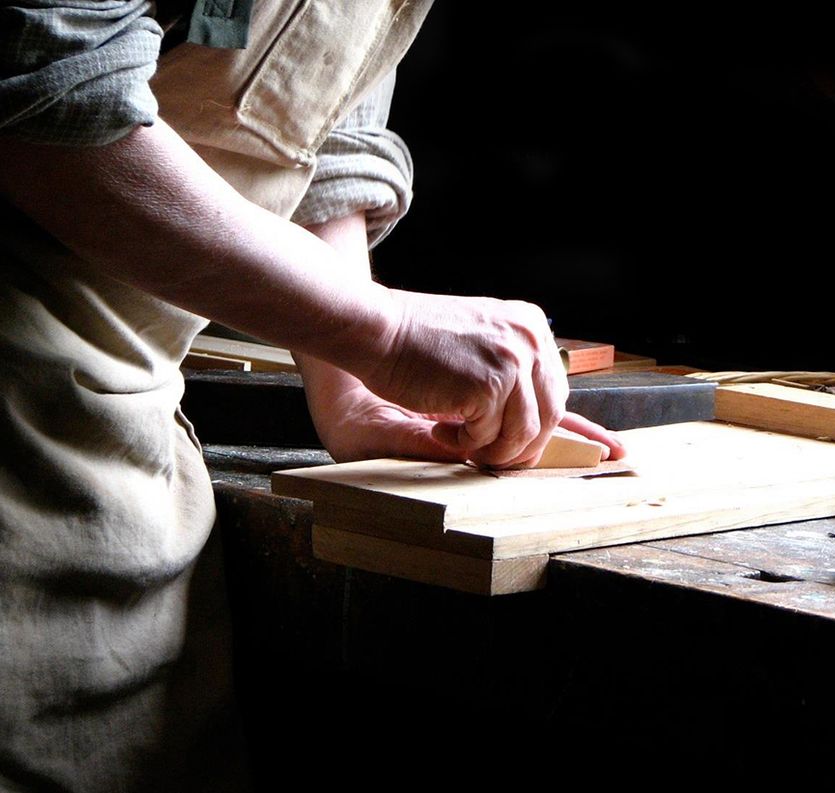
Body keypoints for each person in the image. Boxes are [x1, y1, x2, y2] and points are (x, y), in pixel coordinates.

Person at [0, 1, 624, 789]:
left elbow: (318, 102)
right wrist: (384, 330)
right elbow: (41, 96)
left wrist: (350, 375)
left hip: (127, 445)